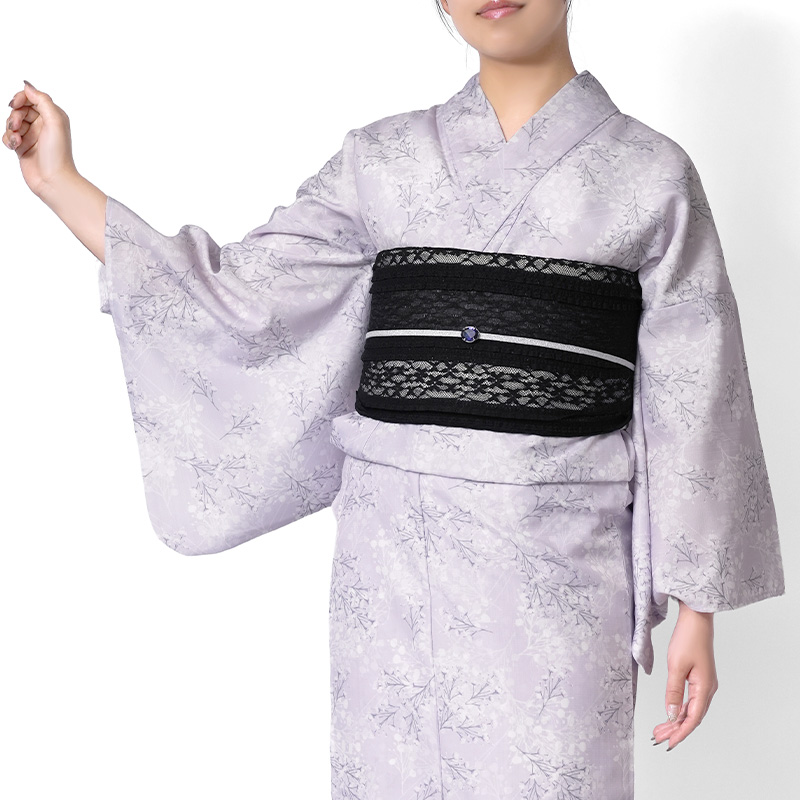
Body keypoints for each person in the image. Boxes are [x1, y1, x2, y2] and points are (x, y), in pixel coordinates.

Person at [4, 1, 785, 797]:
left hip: (560, 555)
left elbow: (697, 388)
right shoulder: (381, 160)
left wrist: (697, 610)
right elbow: (240, 297)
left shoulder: (651, 173)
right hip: (392, 561)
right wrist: (60, 183)